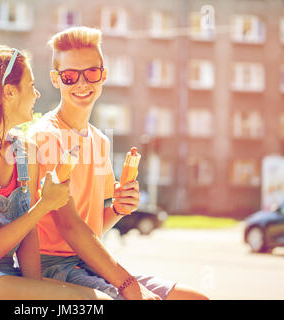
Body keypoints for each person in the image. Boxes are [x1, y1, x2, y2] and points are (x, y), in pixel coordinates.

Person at [27, 27, 209, 300]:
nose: (82, 83)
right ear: (56, 80)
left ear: (104, 74)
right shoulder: (46, 137)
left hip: (90, 262)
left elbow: (93, 226)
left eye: (91, 72)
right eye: (69, 76)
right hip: (53, 267)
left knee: (195, 299)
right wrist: (129, 286)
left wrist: (119, 208)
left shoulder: (100, 141)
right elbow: (70, 227)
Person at [0, 44, 112, 300]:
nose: (37, 94)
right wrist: (45, 204)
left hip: (4, 278)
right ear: (9, 93)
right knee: (93, 302)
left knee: (101, 299)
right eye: (30, 86)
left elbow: (28, 236)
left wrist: (38, 290)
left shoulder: (26, 150)